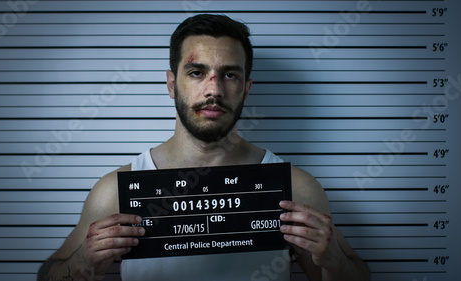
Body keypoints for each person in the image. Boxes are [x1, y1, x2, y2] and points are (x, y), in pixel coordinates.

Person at [38, 14, 371, 281]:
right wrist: (83, 260)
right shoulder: (116, 191)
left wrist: (335, 259)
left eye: (229, 74)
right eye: (197, 72)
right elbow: (49, 275)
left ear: (246, 88)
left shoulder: (294, 187)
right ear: (172, 84)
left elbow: (355, 275)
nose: (214, 89)